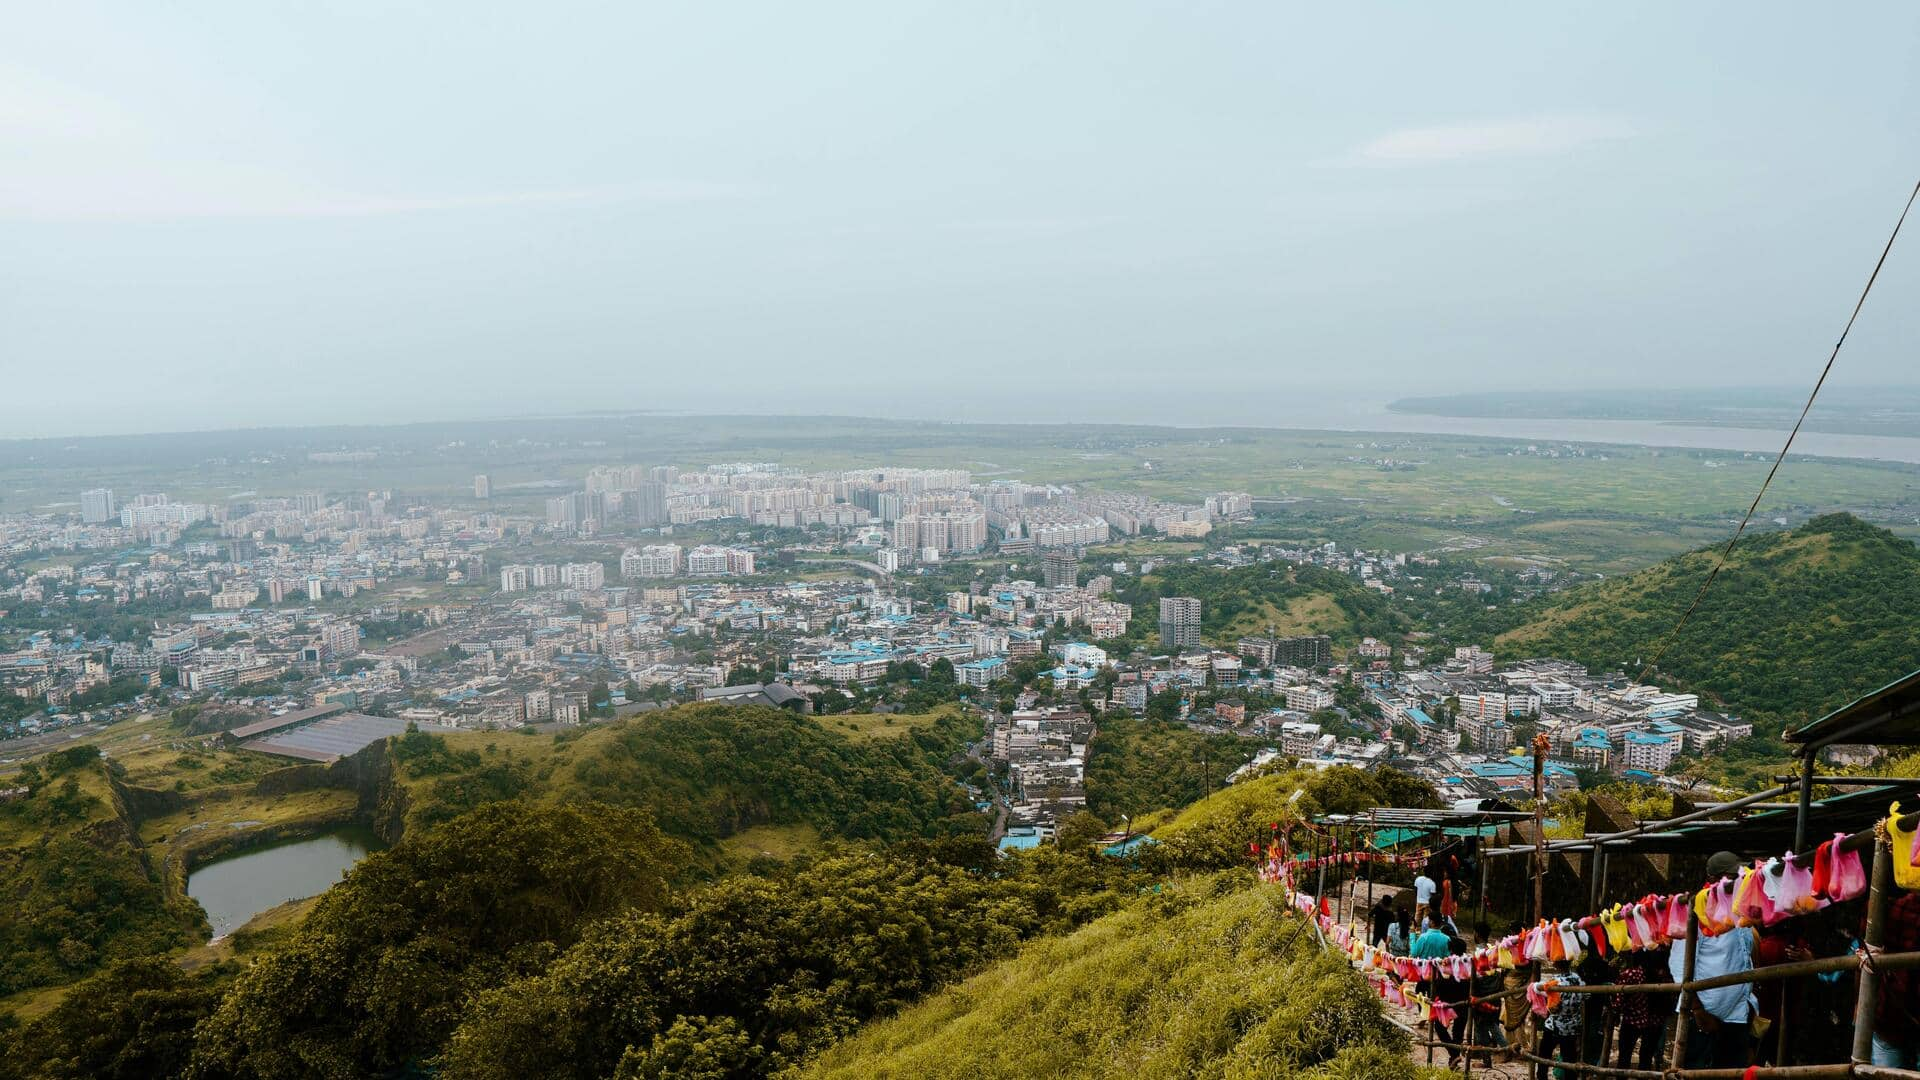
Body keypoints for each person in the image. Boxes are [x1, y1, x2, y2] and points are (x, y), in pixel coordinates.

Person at [1670, 852, 1758, 1070]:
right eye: (1735, 874)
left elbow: (1745, 957)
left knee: (1731, 1071)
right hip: (1705, 1016)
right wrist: (1699, 1011)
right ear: (1717, 880)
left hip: (1737, 1014)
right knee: (1697, 1070)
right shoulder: (1698, 912)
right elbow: (1679, 965)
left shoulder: (1740, 912)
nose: (1741, 878)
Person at [1870, 887, 1920, 1069]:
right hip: (1894, 1010)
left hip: (1890, 1009)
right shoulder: (1897, 907)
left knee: (1886, 1068)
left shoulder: (1892, 906)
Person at [1613, 950, 1668, 1073]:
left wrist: (1615, 1011)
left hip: (1632, 1021)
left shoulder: (1632, 974)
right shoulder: (1664, 975)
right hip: (1655, 1022)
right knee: (1646, 1059)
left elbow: (1618, 1000)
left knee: (1624, 1057)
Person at [1535, 958, 1584, 1080]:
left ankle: (1542, 1077)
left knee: (1544, 1056)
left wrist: (1534, 986)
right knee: (1569, 1059)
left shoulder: (1556, 981)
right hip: (1573, 1025)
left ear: (1556, 964)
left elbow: (1540, 990)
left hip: (1555, 1024)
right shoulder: (1577, 979)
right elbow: (1586, 995)